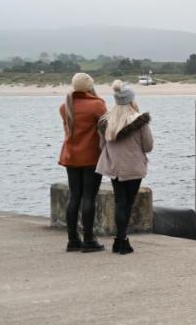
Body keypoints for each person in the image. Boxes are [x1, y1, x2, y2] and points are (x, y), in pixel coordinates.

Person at [96, 80, 153, 255]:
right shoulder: (140, 121)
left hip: (114, 167)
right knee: (127, 204)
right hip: (133, 168)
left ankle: (119, 241)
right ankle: (122, 241)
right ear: (131, 99)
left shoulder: (106, 120)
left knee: (120, 202)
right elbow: (148, 146)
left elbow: (101, 146)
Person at [58, 73, 108, 252]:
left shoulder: (65, 106)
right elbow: (106, 129)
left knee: (75, 196)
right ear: (89, 87)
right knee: (89, 197)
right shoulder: (97, 104)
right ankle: (89, 239)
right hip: (91, 156)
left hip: (71, 156)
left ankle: (72, 240)